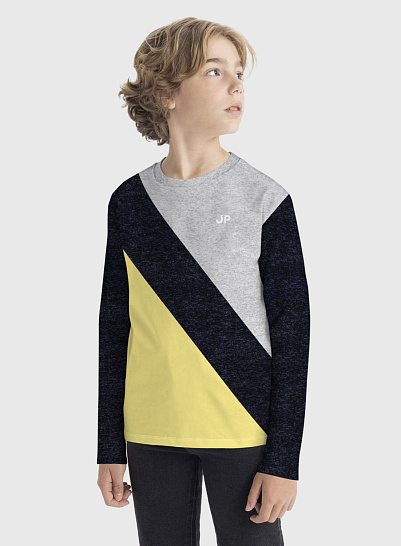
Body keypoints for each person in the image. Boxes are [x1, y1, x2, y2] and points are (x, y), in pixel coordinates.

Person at [97, 16, 310, 546]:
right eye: (215, 71)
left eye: (239, 73)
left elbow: (293, 334)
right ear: (166, 94)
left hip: (242, 429)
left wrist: (283, 458)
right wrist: (109, 446)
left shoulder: (265, 200)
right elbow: (114, 327)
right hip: (151, 432)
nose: (236, 85)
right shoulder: (129, 204)